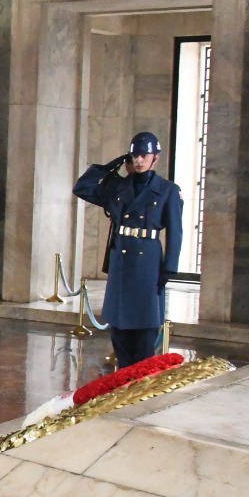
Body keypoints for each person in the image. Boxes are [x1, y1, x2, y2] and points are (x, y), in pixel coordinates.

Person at [72, 132, 183, 368]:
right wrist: (109, 167)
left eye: (144, 155)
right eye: (134, 156)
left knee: (145, 331)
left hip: (148, 263)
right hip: (121, 263)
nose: (139, 160)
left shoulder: (167, 190)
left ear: (155, 158)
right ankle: (123, 377)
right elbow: (82, 188)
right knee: (120, 330)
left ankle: (140, 381)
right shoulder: (118, 187)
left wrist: (169, 267)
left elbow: (176, 232)